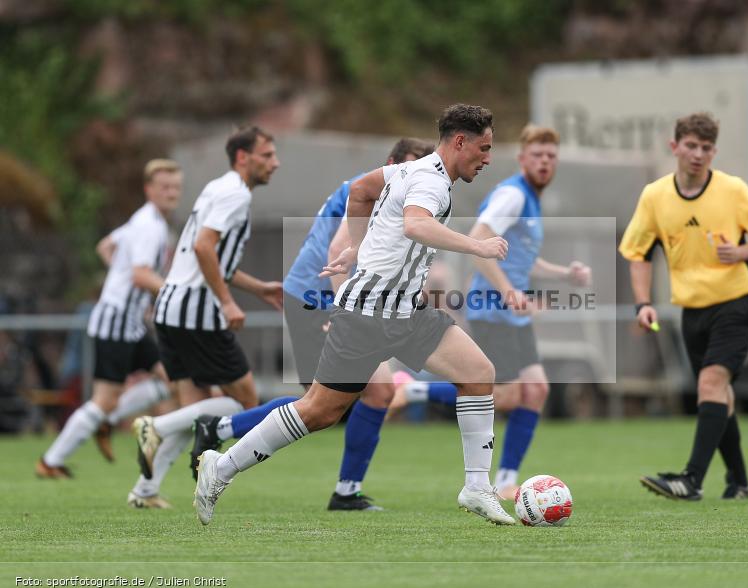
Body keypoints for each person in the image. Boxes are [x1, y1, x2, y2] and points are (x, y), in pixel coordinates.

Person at [193, 104, 515, 526]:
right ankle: (221, 467)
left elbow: (361, 189)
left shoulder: (409, 170)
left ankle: (476, 487)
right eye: (484, 148)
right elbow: (416, 225)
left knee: (478, 372)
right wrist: (478, 247)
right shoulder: (430, 183)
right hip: (368, 314)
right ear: (460, 142)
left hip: (406, 310)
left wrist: (359, 246)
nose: (488, 158)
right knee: (319, 411)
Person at [188, 138, 434, 512]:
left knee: (327, 404)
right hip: (317, 297)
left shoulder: (390, 188)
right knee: (336, 402)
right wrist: (343, 312)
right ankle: (341, 490)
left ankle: (220, 430)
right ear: (391, 163)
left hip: (319, 294)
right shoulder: (379, 190)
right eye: (410, 167)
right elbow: (339, 251)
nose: (416, 176)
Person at [618, 112, 748, 501]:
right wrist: (643, 303)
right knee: (721, 395)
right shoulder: (655, 196)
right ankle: (738, 482)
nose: (698, 154)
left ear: (714, 152)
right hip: (693, 310)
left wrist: (739, 250)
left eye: (706, 148)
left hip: (736, 301)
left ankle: (691, 480)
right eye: (691, 146)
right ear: (674, 147)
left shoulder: (732, 190)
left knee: (710, 384)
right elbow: (638, 253)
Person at [129, 126, 283, 507]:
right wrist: (228, 302)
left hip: (171, 308)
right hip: (197, 312)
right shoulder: (235, 195)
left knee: (194, 410)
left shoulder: (218, 187)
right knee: (245, 399)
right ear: (243, 157)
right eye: (267, 155)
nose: (274, 163)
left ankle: (146, 489)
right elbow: (203, 247)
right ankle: (155, 426)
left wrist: (258, 288)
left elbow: (215, 259)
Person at [36, 160, 182, 490]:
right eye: (165, 187)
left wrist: (119, 279)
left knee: (172, 378)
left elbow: (106, 247)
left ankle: (107, 422)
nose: (171, 193)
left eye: (176, 187)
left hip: (128, 321)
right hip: (116, 321)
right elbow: (141, 274)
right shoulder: (150, 226)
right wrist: (176, 293)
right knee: (104, 399)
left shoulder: (141, 220)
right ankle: (51, 460)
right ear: (149, 190)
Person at [465, 125, 592, 499]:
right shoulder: (512, 195)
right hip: (492, 309)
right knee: (503, 396)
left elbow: (524, 259)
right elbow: (477, 240)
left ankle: (505, 481)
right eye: (537, 155)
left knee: (536, 390)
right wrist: (506, 292)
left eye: (551, 156)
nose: (544, 162)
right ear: (522, 159)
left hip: (511, 314)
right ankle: (414, 391)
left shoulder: (532, 201)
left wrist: (565, 274)